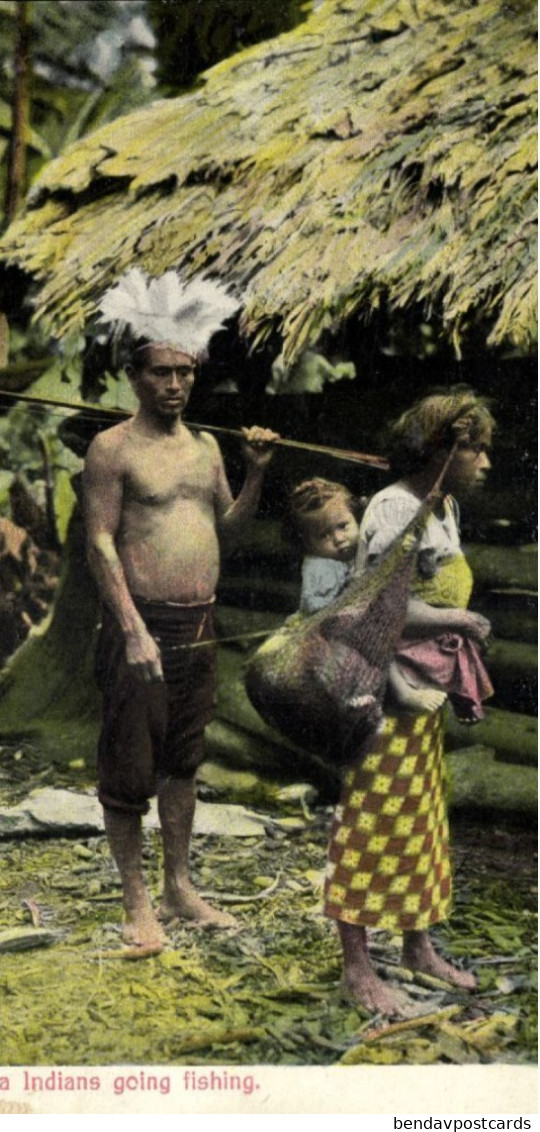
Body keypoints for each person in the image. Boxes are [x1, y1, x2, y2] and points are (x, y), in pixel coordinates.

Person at [82, 269, 279, 951]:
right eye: (161, 372)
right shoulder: (112, 449)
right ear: (134, 376)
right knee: (129, 764)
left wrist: (255, 471)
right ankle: (136, 901)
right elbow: (100, 542)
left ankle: (178, 884)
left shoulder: (207, 449)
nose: (174, 385)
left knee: (184, 760)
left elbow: (232, 530)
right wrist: (131, 628)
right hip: (141, 625)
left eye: (185, 372)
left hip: (200, 622)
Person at [322, 389, 494, 1016]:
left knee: (420, 817)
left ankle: (418, 946)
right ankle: (357, 967)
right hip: (383, 691)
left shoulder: (440, 506)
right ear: (443, 447)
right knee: (372, 819)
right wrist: (461, 619)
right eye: (475, 448)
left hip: (423, 692)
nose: (486, 462)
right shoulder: (394, 509)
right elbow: (376, 608)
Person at [284, 477, 493, 721]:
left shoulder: (367, 542)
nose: (338, 538)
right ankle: (401, 691)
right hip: (336, 625)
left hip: (368, 613)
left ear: (355, 517)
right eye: (323, 536)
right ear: (307, 543)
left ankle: (462, 691)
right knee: (376, 635)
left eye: (343, 526)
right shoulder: (320, 566)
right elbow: (323, 607)